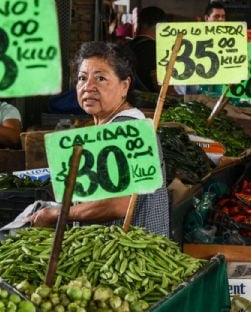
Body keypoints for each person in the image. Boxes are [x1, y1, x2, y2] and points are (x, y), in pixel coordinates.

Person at [27, 41, 170, 237]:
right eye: (82, 78)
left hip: (128, 258)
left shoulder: (125, 129)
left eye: (100, 78)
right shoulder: (112, 126)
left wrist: (55, 213)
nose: (88, 87)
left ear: (124, 86)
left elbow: (119, 204)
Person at [128, 6, 176, 94]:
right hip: (149, 105)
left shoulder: (126, 46)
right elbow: (164, 89)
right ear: (161, 26)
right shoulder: (158, 51)